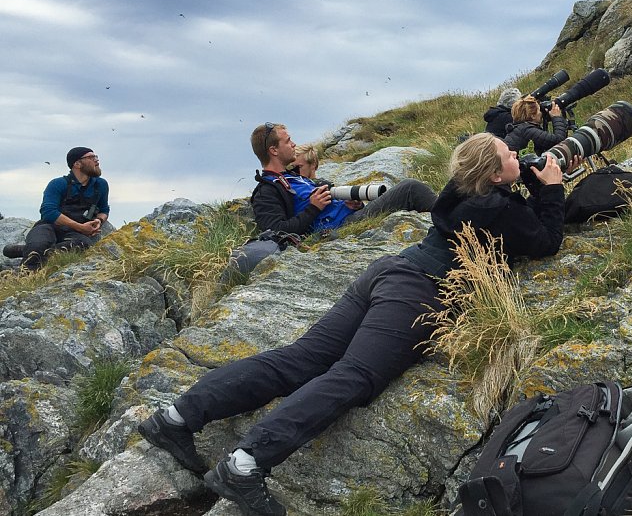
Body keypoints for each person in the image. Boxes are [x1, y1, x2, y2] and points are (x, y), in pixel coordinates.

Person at [138, 133, 569, 516]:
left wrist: (526, 179)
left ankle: (175, 419)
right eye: (507, 153)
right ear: (493, 175)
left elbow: (508, 208)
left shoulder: (463, 189)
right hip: (421, 291)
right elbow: (546, 242)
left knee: (300, 358)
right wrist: (552, 190)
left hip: (388, 271)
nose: (516, 152)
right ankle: (245, 465)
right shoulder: (494, 206)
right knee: (354, 376)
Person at [226, 124, 438, 278]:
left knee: (405, 192)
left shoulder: (296, 177)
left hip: (352, 216)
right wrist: (313, 208)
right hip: (337, 230)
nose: (294, 144)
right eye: (288, 141)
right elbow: (276, 232)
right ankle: (452, 217)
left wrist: (349, 203)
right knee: (410, 189)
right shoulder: (267, 190)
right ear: (273, 150)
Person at [3, 147, 110, 271]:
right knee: (38, 244)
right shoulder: (58, 184)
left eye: (96, 157)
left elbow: (104, 209)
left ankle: (25, 250)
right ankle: (25, 273)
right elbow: (48, 212)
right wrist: (80, 227)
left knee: (84, 245)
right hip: (49, 226)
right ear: (77, 163)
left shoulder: (101, 185)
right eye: (91, 157)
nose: (96, 160)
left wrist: (99, 221)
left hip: (75, 234)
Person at [503, 95, 569, 154]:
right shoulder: (528, 131)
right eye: (539, 110)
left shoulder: (519, 129)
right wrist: (556, 117)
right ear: (532, 116)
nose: (541, 113)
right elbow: (559, 141)